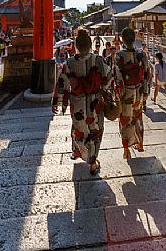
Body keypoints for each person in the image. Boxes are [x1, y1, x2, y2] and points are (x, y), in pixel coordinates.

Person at [52, 29, 111, 175]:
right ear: (90, 45)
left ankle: (79, 151)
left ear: (76, 46)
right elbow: (108, 78)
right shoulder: (98, 60)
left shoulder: (70, 63)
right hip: (95, 102)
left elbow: (62, 83)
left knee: (79, 130)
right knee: (95, 130)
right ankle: (92, 160)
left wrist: (56, 101)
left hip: (77, 103)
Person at [115, 27, 149, 159]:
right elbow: (147, 73)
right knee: (137, 117)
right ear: (134, 39)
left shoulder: (119, 55)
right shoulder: (142, 54)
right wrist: (145, 92)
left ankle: (126, 150)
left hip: (126, 93)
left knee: (125, 120)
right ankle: (140, 144)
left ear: (123, 40)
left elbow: (118, 77)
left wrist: (118, 95)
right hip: (139, 90)